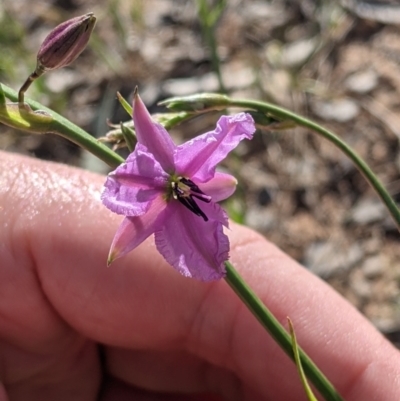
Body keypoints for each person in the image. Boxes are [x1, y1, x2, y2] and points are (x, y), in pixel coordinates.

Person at [0, 150, 399, 401]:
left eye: (185, 185)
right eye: (179, 186)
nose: (182, 189)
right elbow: (188, 186)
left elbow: (221, 184)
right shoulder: (144, 185)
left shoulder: (184, 186)